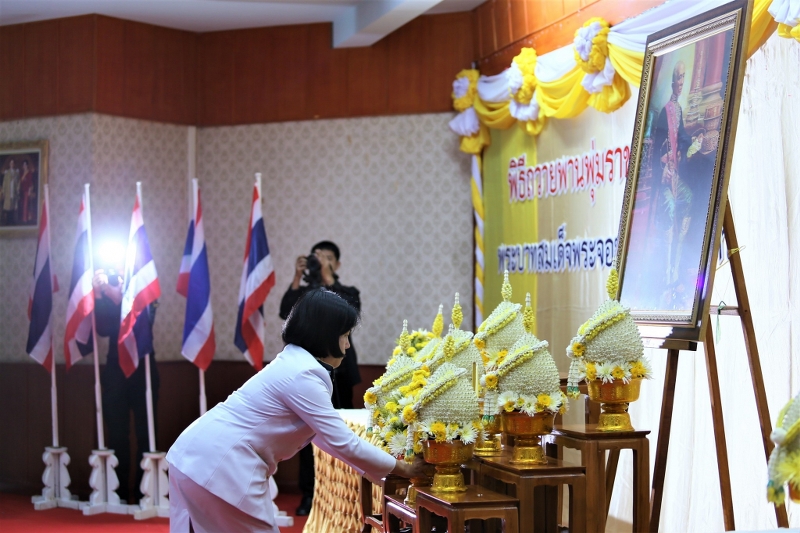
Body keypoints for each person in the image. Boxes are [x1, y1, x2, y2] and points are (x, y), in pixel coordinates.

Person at [167, 289, 428, 533]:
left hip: (195, 458)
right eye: (345, 335)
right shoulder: (305, 374)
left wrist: (381, 470)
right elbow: (344, 443)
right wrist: (403, 469)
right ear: (325, 335)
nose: (348, 346)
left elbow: (326, 438)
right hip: (220, 466)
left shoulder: (295, 362)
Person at [279, 240, 361, 515]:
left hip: (342, 370)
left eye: (328, 258)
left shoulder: (347, 291)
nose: (321, 262)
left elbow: (350, 311)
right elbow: (284, 313)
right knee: (307, 433)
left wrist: (327, 278)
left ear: (337, 264)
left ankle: (344, 494)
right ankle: (309, 495)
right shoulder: (305, 295)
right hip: (310, 369)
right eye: (317, 258)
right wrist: (296, 277)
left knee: (340, 428)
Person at [93, 266, 159, 504]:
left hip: (144, 368)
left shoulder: (144, 285)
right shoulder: (108, 296)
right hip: (115, 368)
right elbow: (103, 328)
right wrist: (100, 294)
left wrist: (119, 298)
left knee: (146, 433)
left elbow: (144, 322)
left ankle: (147, 494)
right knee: (118, 434)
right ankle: (117, 494)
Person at [2, 158, 20, 225]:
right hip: (8, 192)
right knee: (8, 207)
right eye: (11, 163)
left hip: (14, 191)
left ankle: (12, 221)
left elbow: (18, 183)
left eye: (13, 163)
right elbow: (4, 183)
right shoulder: (7, 173)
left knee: (13, 206)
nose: (12, 164)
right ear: (9, 164)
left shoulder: (16, 173)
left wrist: (18, 190)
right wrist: (3, 192)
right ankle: (8, 221)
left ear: (14, 164)